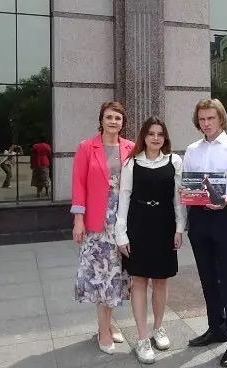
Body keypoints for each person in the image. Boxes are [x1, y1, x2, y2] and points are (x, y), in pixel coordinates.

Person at [183, 98, 227, 368]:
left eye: (210, 118)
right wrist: (185, 192)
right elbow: (187, 183)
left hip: (226, 215)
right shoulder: (192, 150)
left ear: (221, 118)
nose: (206, 124)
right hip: (198, 217)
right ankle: (217, 327)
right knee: (207, 276)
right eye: (202, 119)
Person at [115, 116, 185, 364]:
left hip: (164, 225)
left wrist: (179, 228)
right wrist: (121, 234)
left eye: (160, 134)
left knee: (161, 280)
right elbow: (124, 198)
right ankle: (142, 337)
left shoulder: (174, 161)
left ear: (165, 137)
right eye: (151, 133)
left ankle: (158, 328)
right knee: (139, 280)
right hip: (138, 225)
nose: (155, 138)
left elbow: (178, 199)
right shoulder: (131, 162)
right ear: (143, 136)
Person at [71, 101, 135, 354]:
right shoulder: (87, 147)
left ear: (122, 122)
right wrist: (78, 219)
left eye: (118, 118)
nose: (113, 121)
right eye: (109, 117)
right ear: (101, 120)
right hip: (98, 222)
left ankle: (109, 323)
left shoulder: (131, 147)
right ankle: (103, 330)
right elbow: (79, 184)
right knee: (101, 275)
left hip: (123, 220)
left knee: (117, 274)